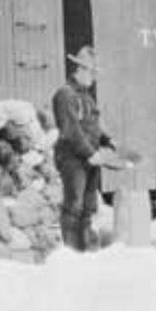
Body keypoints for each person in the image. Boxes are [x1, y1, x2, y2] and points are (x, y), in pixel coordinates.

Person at [51, 45, 116, 251]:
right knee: (74, 206)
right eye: (92, 72)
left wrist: (109, 140)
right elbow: (71, 131)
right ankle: (72, 255)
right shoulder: (64, 95)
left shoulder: (87, 97)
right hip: (72, 160)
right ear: (80, 69)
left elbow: (94, 127)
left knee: (88, 208)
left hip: (90, 158)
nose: (94, 78)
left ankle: (85, 253)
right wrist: (91, 153)